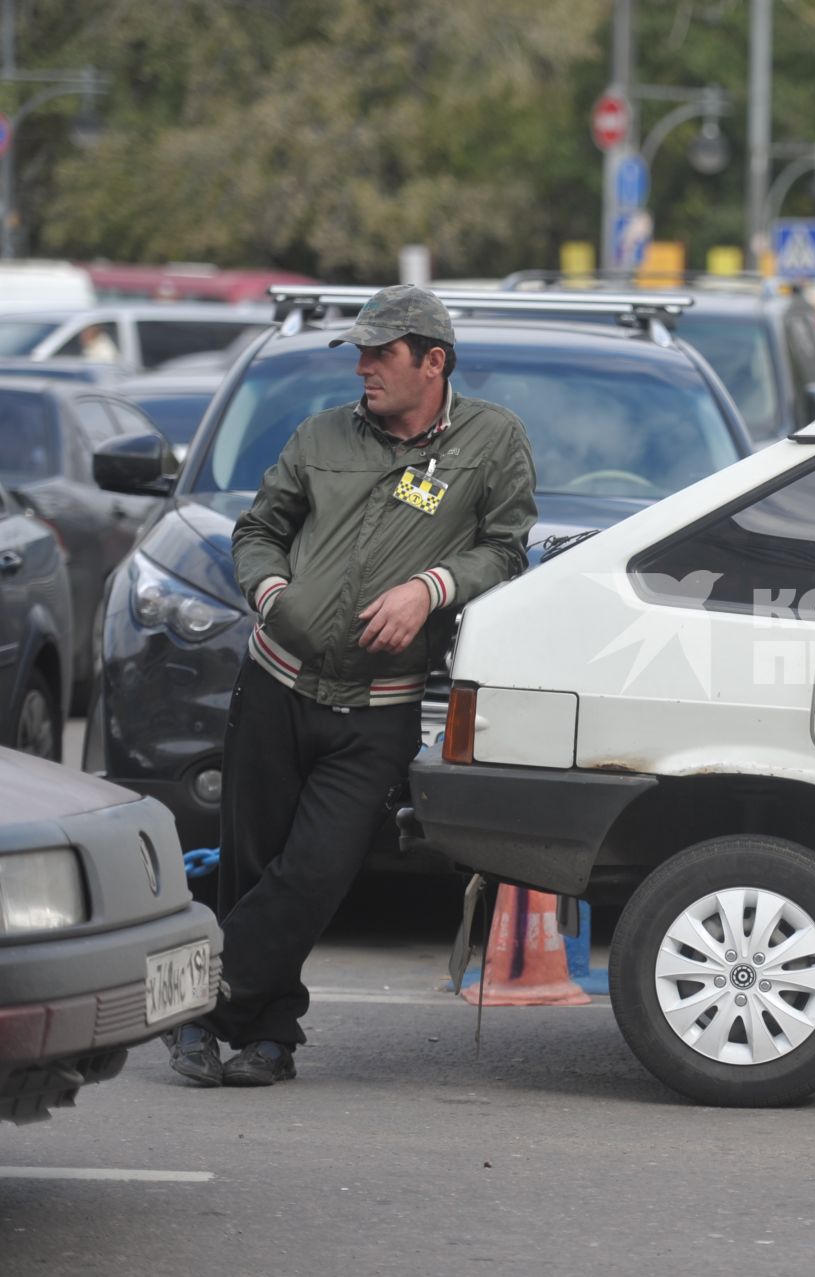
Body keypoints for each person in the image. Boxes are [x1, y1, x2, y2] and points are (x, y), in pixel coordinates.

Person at [163, 285, 537, 1087]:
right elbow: (259, 529)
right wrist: (269, 594)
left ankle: (193, 1006)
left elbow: (506, 550)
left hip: (380, 709)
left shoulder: (492, 440)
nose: (363, 368)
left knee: (316, 871)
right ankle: (271, 1039)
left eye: (380, 353)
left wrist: (430, 587)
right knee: (252, 869)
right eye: (360, 353)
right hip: (275, 685)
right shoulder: (320, 434)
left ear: (432, 362)